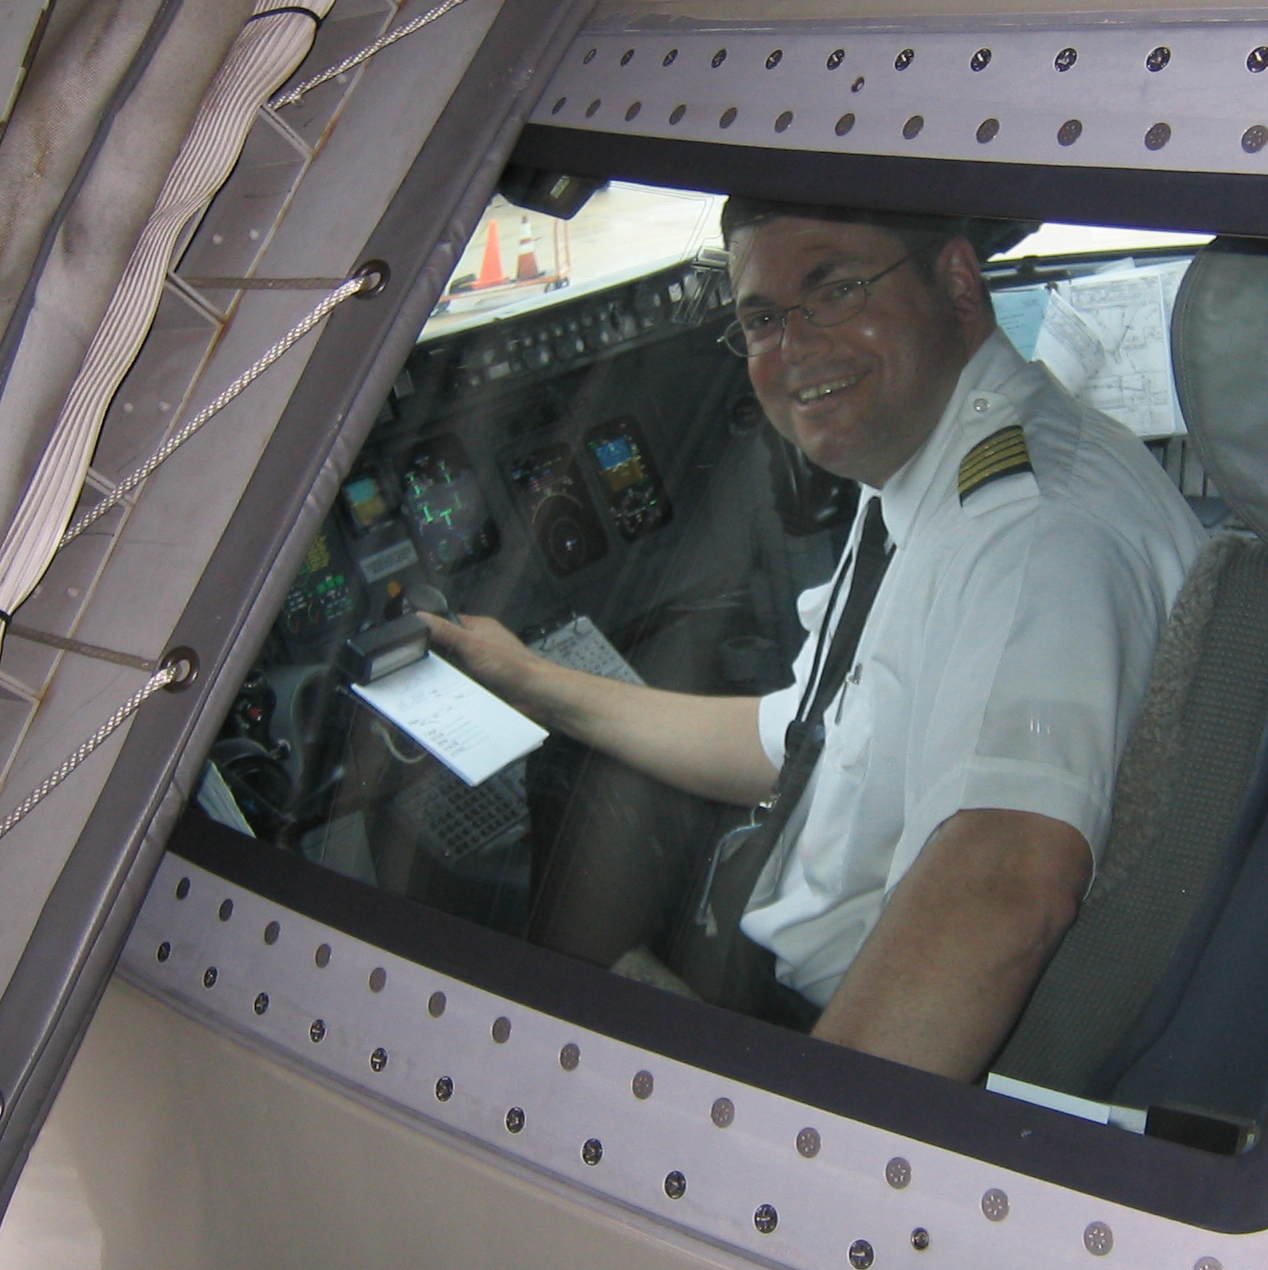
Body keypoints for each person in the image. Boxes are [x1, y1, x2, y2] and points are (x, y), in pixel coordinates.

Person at [423, 200, 1202, 1081]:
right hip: (793, 946)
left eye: (836, 291)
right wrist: (529, 679)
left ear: (956, 283)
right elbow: (800, 736)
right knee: (583, 762)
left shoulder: (1029, 538)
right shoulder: (931, 463)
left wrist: (786, 1133)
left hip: (834, 1024)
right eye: (762, 319)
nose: (794, 348)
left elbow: (1005, 882)